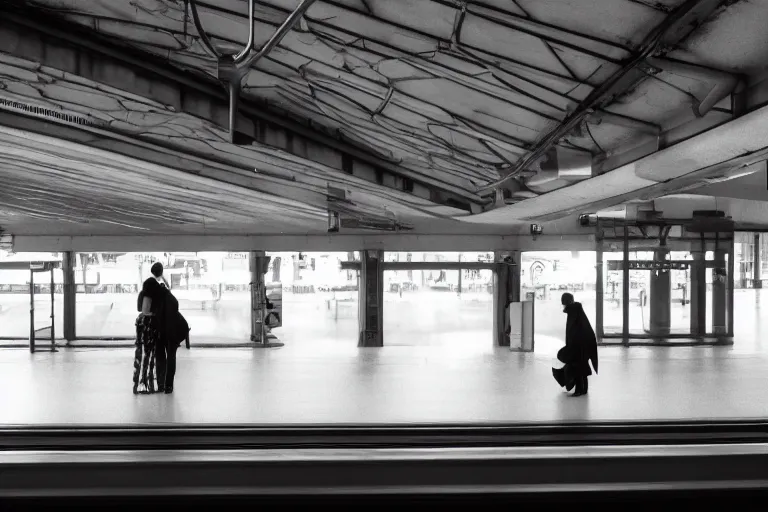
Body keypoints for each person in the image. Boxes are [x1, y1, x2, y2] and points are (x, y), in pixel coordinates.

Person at [133, 262, 185, 394]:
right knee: (171, 357)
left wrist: (152, 315)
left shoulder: (150, 290)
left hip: (161, 329)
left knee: (160, 356)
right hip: (173, 328)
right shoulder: (166, 290)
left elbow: (144, 310)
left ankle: (160, 384)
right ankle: (168, 386)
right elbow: (175, 306)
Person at [552, 292, 598, 397]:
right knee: (582, 367)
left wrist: (570, 347)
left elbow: (572, 332)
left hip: (577, 346)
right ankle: (584, 390)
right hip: (583, 345)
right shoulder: (577, 310)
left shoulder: (573, 312)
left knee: (576, 368)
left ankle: (579, 390)